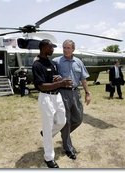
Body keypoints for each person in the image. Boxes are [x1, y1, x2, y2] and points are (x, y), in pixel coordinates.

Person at [32, 39, 73, 168]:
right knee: (48, 127)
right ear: (44, 47)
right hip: (46, 98)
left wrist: (60, 79)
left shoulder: (51, 62)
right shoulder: (37, 65)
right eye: (51, 47)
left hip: (57, 96)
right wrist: (60, 83)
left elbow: (54, 78)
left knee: (62, 121)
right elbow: (41, 86)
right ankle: (49, 158)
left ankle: (46, 133)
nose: (53, 49)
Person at [52, 39, 91, 160]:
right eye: (64, 47)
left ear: (73, 49)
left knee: (78, 119)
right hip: (62, 93)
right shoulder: (56, 61)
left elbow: (83, 79)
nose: (65, 50)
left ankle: (61, 133)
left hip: (76, 93)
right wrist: (55, 78)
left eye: (68, 48)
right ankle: (68, 148)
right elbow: (50, 75)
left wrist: (87, 92)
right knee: (67, 121)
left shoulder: (78, 62)